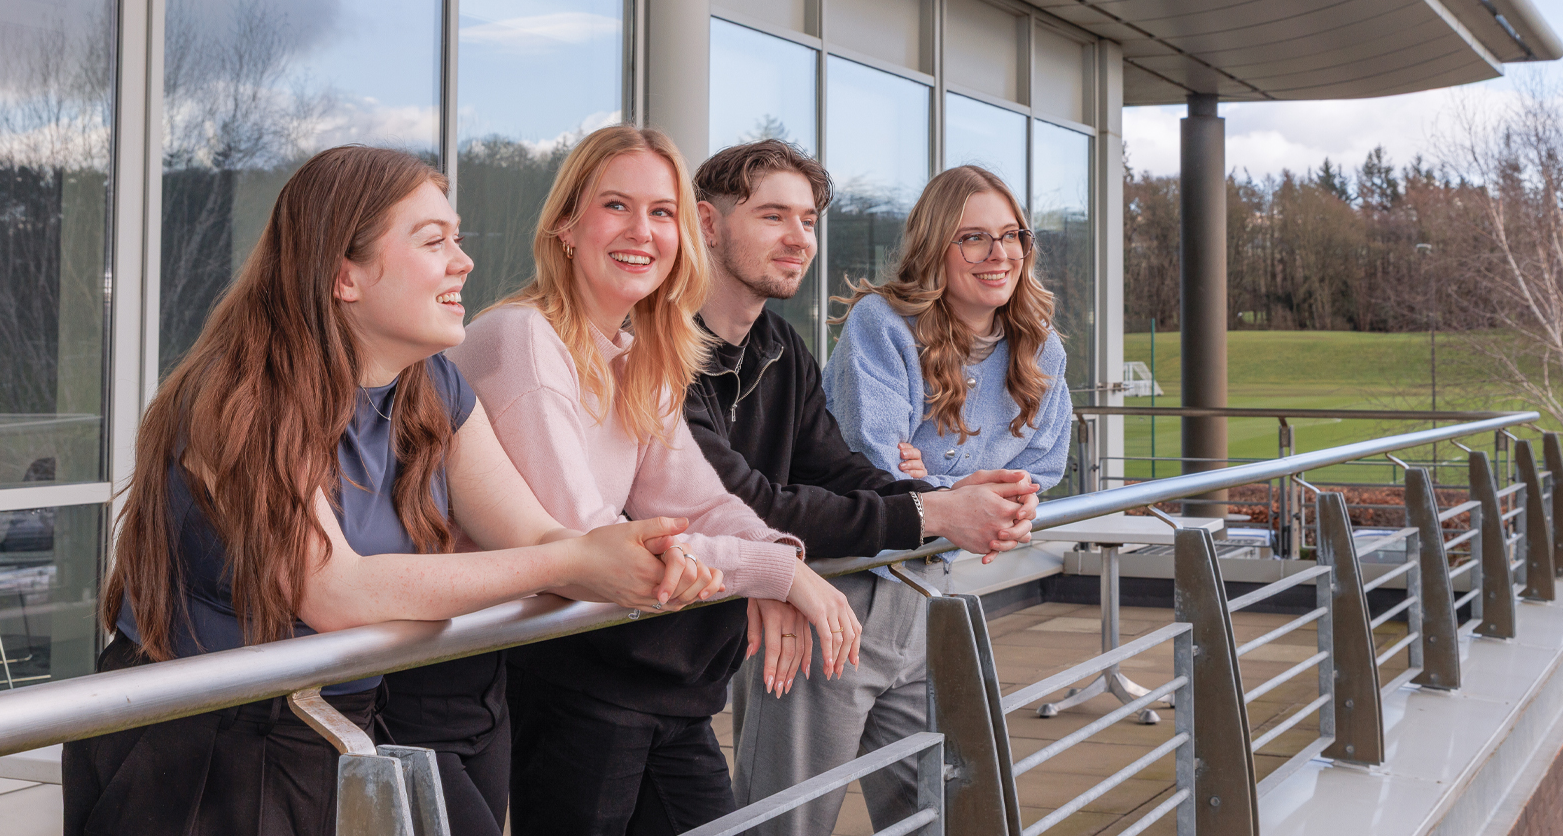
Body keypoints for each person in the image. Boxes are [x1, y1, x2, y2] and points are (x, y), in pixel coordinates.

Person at [63, 146, 711, 836]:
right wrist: (576, 564)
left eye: (456, 239)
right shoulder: (241, 397)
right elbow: (335, 591)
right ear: (345, 275)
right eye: (434, 242)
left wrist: (637, 554)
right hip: (196, 745)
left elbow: (535, 533)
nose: (463, 261)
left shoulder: (435, 386)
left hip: (338, 717)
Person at [446, 126, 863, 836]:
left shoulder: (642, 353)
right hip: (542, 674)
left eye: (662, 212)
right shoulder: (521, 338)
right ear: (566, 226)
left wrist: (779, 567)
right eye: (617, 206)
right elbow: (590, 541)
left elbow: (697, 500)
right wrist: (777, 575)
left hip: (643, 672)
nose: (643, 231)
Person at [684, 141, 1038, 832]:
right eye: (774, 216)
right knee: (777, 819)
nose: (798, 238)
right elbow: (746, 502)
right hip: (641, 654)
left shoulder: (780, 348)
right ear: (707, 224)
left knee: (939, 805)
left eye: (809, 220)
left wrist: (945, 504)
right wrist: (934, 508)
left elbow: (836, 469)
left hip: (828, 611)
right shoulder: (662, 351)